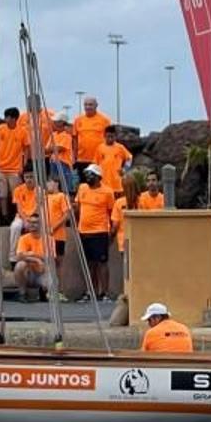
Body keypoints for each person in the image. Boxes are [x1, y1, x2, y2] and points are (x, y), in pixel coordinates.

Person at [74, 164, 115, 302]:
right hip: (84, 231)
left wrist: (111, 233)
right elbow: (78, 207)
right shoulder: (82, 188)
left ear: (98, 177)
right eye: (87, 174)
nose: (88, 177)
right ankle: (90, 292)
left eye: (91, 174)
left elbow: (111, 212)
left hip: (100, 231)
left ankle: (104, 293)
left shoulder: (107, 192)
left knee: (102, 263)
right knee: (89, 264)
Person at [0, 107, 29, 222]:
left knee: (16, 195)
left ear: (14, 119)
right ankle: (4, 217)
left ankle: (17, 215)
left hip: (15, 168)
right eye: (5, 117)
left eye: (8, 117)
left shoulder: (22, 131)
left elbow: (26, 148)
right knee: (2, 195)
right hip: (0, 167)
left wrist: (23, 166)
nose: (6, 119)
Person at [72, 96, 112, 183]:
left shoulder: (105, 120)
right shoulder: (78, 120)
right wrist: (74, 157)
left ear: (96, 105)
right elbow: (74, 139)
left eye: (90, 105)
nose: (88, 107)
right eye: (85, 105)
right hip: (82, 159)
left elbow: (110, 138)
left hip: (99, 159)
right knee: (83, 184)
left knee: (98, 183)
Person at [12, 214, 49, 301]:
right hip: (29, 273)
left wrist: (31, 254)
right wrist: (36, 259)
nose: (32, 224)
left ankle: (44, 292)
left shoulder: (48, 239)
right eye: (30, 222)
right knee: (19, 265)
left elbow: (49, 258)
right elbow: (19, 256)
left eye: (35, 222)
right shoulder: (23, 238)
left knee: (51, 271)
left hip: (43, 271)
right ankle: (22, 294)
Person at [95, 126, 133, 196]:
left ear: (115, 136)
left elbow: (129, 158)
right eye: (108, 136)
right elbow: (95, 165)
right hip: (103, 184)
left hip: (117, 185)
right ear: (104, 136)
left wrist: (125, 169)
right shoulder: (99, 148)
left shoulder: (120, 148)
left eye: (112, 137)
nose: (110, 139)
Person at [112, 172, 144, 253]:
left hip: (124, 242)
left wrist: (110, 236)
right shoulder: (143, 200)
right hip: (141, 241)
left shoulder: (119, 203)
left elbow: (115, 225)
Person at [9, 169, 41, 243]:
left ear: (36, 177)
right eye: (27, 177)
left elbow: (38, 208)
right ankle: (13, 253)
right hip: (21, 217)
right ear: (23, 178)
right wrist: (25, 220)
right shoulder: (18, 190)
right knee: (15, 226)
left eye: (31, 177)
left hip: (36, 217)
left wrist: (31, 220)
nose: (29, 180)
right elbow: (19, 208)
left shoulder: (40, 191)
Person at [46, 114, 76, 193]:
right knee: (54, 186)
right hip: (53, 162)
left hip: (64, 163)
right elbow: (47, 149)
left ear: (62, 122)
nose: (54, 122)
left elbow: (60, 148)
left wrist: (52, 148)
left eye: (56, 121)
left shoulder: (67, 136)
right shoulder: (53, 135)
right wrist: (53, 148)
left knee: (65, 187)